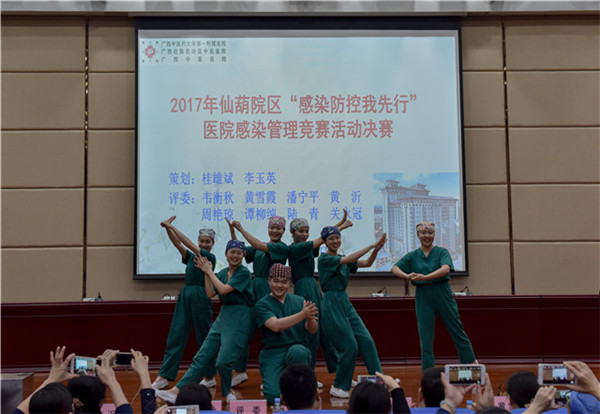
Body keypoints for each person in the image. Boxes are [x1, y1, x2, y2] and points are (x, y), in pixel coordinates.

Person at [156, 240, 254, 404]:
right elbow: (209, 293)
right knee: (202, 356)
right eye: (232, 252)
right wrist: (206, 274)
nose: (235, 256)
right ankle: (176, 391)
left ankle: (227, 391)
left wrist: (209, 271)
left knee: (223, 361)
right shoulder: (223, 272)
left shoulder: (243, 273)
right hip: (224, 315)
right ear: (226, 254)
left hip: (239, 315)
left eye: (239, 253)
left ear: (243, 255)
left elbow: (223, 290)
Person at [391, 221, 476, 371]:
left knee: (457, 330)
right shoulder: (413, 256)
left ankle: (471, 365)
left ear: (434, 234)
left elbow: (445, 269)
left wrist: (425, 277)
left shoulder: (442, 252)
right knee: (425, 338)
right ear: (417, 235)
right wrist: (406, 276)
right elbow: (394, 268)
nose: (427, 236)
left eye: (430, 233)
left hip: (442, 293)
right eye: (423, 233)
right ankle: (428, 373)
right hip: (423, 297)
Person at [318, 226, 387, 398]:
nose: (335, 241)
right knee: (349, 346)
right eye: (331, 239)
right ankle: (339, 386)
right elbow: (348, 259)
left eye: (337, 238)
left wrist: (376, 250)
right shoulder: (324, 258)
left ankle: (378, 378)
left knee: (366, 340)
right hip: (331, 302)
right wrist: (371, 245)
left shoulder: (342, 259)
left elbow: (367, 263)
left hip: (344, 301)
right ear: (325, 242)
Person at [153, 217, 217, 390]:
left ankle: (210, 375)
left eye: (207, 242)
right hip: (186, 295)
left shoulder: (209, 257)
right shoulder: (191, 257)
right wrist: (168, 229)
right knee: (176, 334)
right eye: (202, 241)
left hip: (201, 296)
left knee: (204, 336)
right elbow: (177, 243)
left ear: (212, 244)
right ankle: (164, 376)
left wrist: (171, 226)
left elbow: (187, 243)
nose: (204, 244)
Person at [227, 216, 290, 385]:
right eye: (272, 227)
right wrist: (233, 231)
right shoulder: (259, 248)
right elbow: (240, 249)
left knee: (272, 334)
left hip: (271, 292)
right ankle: (239, 370)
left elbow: (260, 246)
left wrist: (241, 229)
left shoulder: (281, 247)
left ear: (283, 231)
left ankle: (276, 373)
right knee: (245, 331)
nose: (275, 231)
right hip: (254, 291)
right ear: (268, 229)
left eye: (278, 228)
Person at [287, 212, 352, 377]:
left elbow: (325, 237)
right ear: (292, 233)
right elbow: (324, 238)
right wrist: (341, 226)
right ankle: (308, 373)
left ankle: (339, 373)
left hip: (312, 286)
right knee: (312, 332)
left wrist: (340, 225)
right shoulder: (295, 248)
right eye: (300, 231)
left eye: (306, 231)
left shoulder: (307, 246)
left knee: (324, 331)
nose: (304, 234)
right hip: (304, 287)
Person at [254, 263, 317, 404]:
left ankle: (301, 389)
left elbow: (312, 330)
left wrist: (310, 317)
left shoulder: (300, 301)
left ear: (289, 283)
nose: (279, 285)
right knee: (274, 397)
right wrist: (303, 314)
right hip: (273, 352)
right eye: (276, 281)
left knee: (298, 352)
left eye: (284, 282)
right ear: (269, 281)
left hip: (296, 349)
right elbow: (275, 326)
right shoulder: (262, 305)